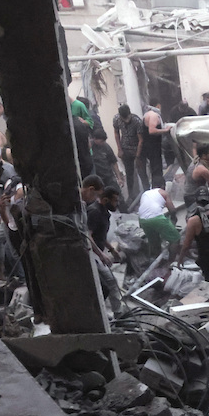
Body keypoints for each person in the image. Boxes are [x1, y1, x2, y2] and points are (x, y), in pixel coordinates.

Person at [80, 176, 123, 316]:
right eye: (115, 200)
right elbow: (88, 235)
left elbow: (100, 235)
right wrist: (101, 254)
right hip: (91, 253)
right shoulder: (95, 212)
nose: (117, 203)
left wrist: (111, 249)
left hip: (97, 252)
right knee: (110, 282)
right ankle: (115, 314)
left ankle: (113, 313)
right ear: (105, 200)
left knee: (107, 284)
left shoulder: (103, 213)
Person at [136, 179, 180, 256]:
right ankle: (171, 262)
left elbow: (143, 209)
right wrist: (173, 220)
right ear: (163, 186)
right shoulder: (163, 193)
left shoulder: (145, 193)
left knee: (154, 243)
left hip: (142, 220)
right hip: (156, 218)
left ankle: (155, 261)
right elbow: (172, 210)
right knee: (175, 239)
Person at [113, 104, 145, 201]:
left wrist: (138, 156)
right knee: (129, 173)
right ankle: (132, 196)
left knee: (142, 172)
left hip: (137, 149)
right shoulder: (116, 119)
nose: (126, 120)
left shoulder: (137, 121)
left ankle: (146, 193)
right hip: (125, 149)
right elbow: (116, 133)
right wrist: (119, 149)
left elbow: (141, 140)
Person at [140, 99, 170, 188]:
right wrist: (165, 130)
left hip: (150, 146)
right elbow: (152, 130)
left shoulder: (147, 114)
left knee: (154, 169)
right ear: (158, 106)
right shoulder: (153, 115)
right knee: (157, 169)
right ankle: (158, 188)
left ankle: (155, 187)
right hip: (153, 147)